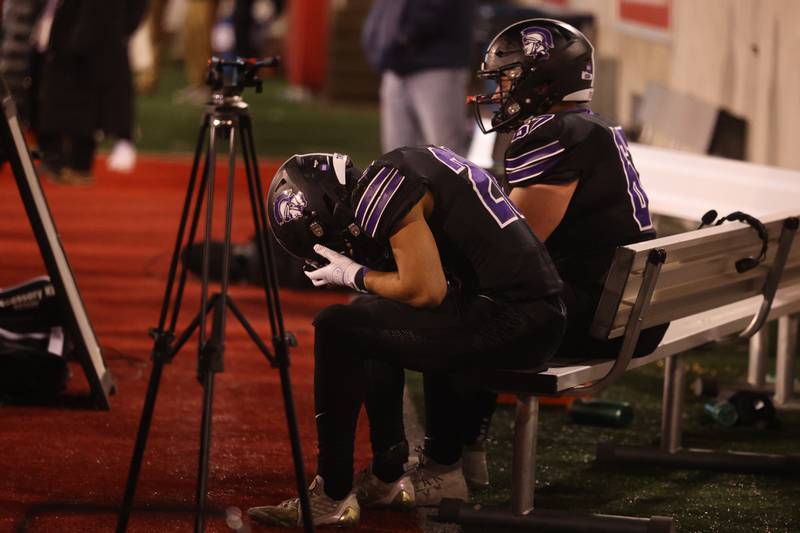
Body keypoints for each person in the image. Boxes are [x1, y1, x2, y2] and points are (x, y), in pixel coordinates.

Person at [419, 18, 670, 500]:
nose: (499, 89)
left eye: (508, 76)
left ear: (544, 79)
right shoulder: (592, 126)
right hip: (631, 308)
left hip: (602, 316)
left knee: (459, 307)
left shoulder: (551, 133)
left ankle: (444, 463)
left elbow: (516, 244)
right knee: (486, 297)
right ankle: (466, 453)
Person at [247, 149, 566, 527]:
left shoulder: (380, 192)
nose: (340, 247)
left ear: (328, 206)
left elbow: (425, 290)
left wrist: (354, 276)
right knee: (367, 317)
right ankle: (390, 475)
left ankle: (330, 494)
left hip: (516, 321)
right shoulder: (407, 165)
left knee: (336, 327)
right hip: (531, 314)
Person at [35, 0, 146, 184]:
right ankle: (60, 159)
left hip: (94, 32)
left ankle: (78, 164)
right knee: (63, 94)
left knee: (83, 98)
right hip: (78, 28)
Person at [362, 0, 476, 155]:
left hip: (438, 64)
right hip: (395, 66)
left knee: (446, 157)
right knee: (395, 159)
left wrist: (405, 35)